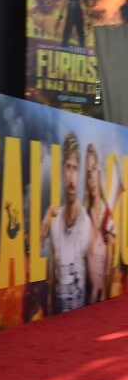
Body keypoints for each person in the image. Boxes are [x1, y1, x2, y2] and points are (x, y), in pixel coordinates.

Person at [41, 131, 93, 313]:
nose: (71, 177)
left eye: (76, 168)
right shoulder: (56, 227)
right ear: (63, 169)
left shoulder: (86, 223)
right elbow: (52, 283)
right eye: (68, 167)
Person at [83, 143, 111, 303]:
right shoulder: (85, 215)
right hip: (88, 299)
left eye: (94, 169)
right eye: (88, 173)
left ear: (99, 171)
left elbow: (109, 264)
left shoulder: (107, 214)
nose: (92, 178)